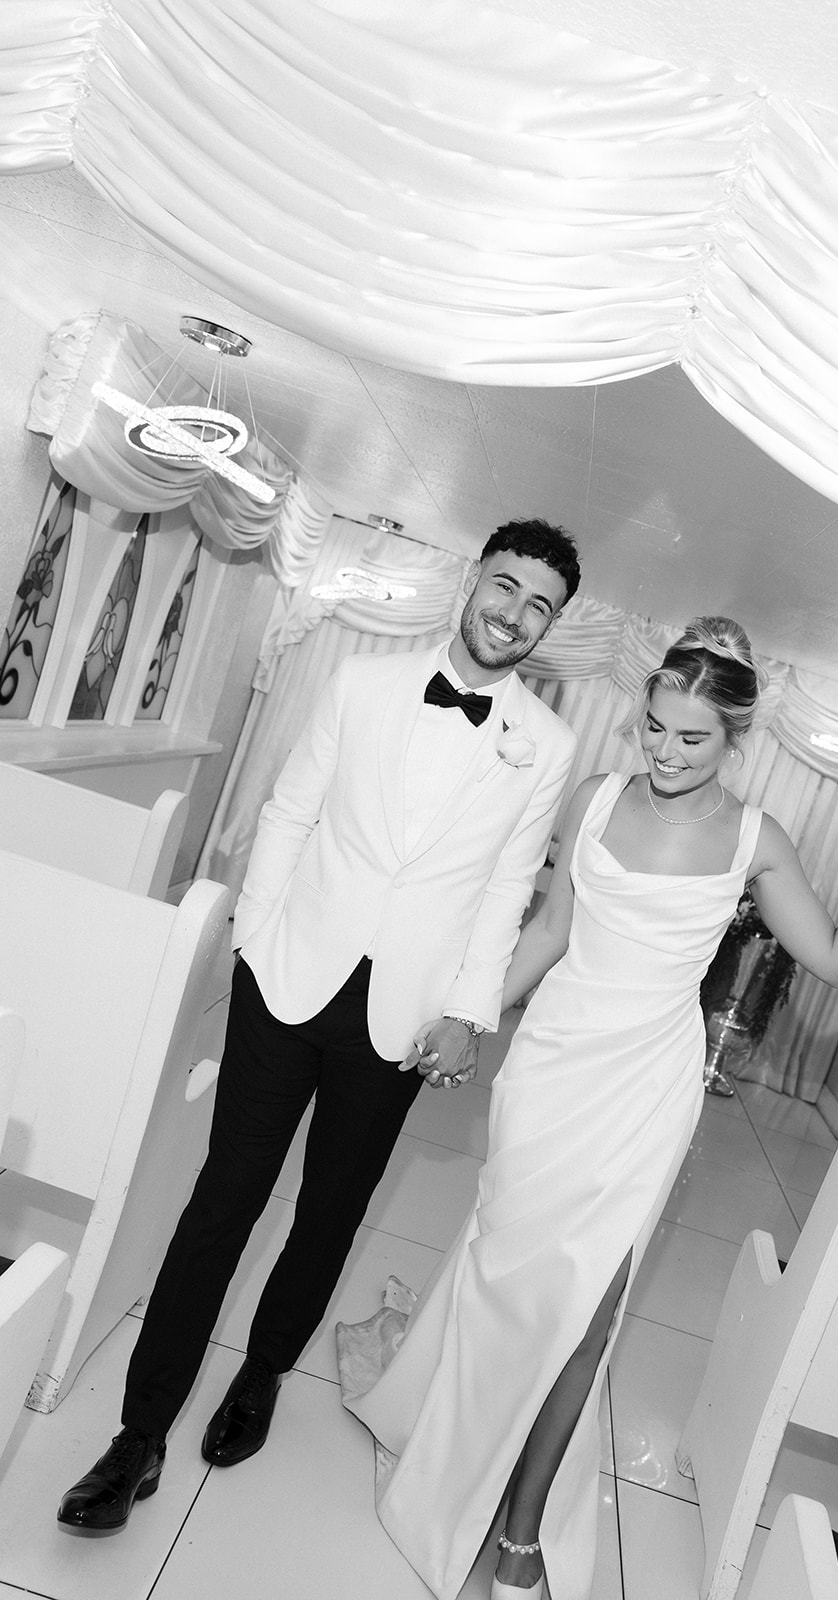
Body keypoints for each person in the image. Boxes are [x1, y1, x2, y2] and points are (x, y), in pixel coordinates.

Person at [337, 616, 838, 1600]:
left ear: (734, 740)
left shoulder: (752, 839)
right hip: (550, 1071)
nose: (664, 751)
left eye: (690, 737)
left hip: (646, 1086)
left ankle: (518, 1531)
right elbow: (554, 925)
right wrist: (469, 1017)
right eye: (652, 727)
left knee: (587, 1309)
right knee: (505, 1279)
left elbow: (828, 954)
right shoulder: (596, 797)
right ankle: (450, 1458)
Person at [57, 517, 582, 1533]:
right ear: (473, 579)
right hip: (288, 977)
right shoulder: (362, 682)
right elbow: (289, 809)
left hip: (404, 1014)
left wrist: (471, 1011)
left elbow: (507, 887)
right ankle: (137, 1433)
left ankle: (259, 1373)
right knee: (225, 1198)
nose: (513, 614)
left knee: (329, 1212)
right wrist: (253, 937)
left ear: (548, 626)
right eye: (505, 586)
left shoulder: (546, 744)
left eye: (538, 607)